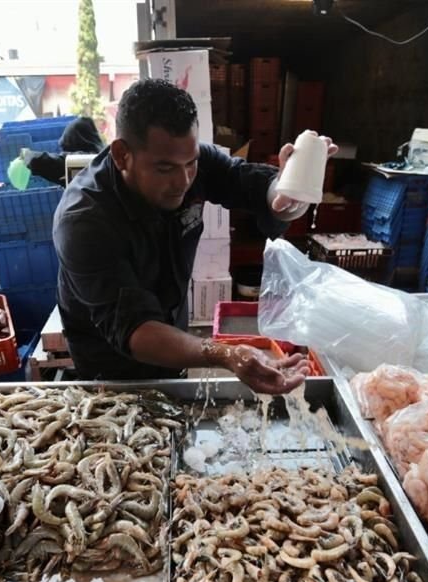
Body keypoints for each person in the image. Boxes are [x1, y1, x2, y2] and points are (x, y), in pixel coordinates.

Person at [53, 79, 336, 395]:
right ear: (122, 155)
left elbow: (249, 185)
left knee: (174, 411)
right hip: (110, 362)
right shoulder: (84, 220)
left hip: (171, 334)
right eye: (165, 169)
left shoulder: (190, 161)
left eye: (191, 164)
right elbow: (134, 329)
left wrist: (287, 195)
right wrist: (225, 353)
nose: (183, 180)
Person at [22, 115, 106, 185]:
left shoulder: (85, 162)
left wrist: (27, 156)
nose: (65, 152)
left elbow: (54, 163)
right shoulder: (104, 157)